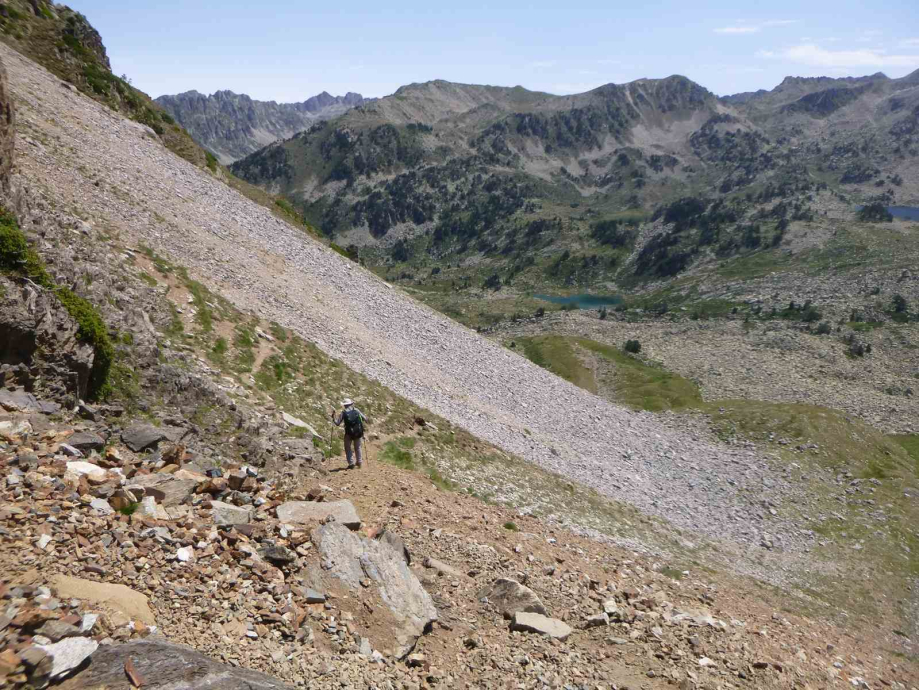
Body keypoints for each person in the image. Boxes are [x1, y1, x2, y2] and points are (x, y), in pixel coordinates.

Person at [331, 398, 366, 469]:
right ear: (351, 404)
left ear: (344, 405)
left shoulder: (343, 413)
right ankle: (359, 462)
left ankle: (351, 463)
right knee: (358, 447)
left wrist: (333, 417)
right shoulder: (356, 410)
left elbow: (337, 423)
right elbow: (365, 418)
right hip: (357, 432)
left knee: (347, 447)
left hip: (349, 433)